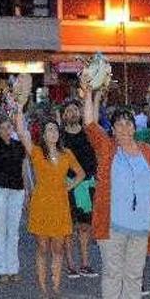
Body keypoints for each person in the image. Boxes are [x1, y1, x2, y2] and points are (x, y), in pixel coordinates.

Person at [79, 82, 150, 299]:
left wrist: (149, 196)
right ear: (113, 130)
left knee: (135, 274)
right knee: (113, 272)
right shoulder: (108, 150)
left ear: (134, 127)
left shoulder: (147, 152)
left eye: (129, 123)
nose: (125, 128)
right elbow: (90, 124)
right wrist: (89, 93)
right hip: (113, 225)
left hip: (141, 226)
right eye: (119, 124)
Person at [14, 110, 85, 299]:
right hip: (41, 204)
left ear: (58, 133)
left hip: (60, 204)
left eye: (55, 129)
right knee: (43, 247)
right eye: (49, 130)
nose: (53, 133)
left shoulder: (67, 153)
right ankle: (43, 288)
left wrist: (70, 185)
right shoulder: (36, 152)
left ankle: (56, 287)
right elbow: (21, 132)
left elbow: (81, 173)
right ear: (43, 135)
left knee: (58, 248)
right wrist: (20, 109)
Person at [0, 90, 29, 283]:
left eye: (8, 126)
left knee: (14, 230)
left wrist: (27, 190)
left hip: (17, 190)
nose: (6, 130)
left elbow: (23, 169)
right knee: (0, 227)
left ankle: (13, 268)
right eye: (2, 127)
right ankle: (1, 269)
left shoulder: (18, 146)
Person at [60, 100, 98, 277]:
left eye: (75, 109)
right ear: (63, 115)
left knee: (85, 226)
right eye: (68, 110)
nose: (72, 113)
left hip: (88, 185)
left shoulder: (88, 134)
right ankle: (70, 264)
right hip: (67, 186)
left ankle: (85, 263)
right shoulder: (59, 137)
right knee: (69, 226)